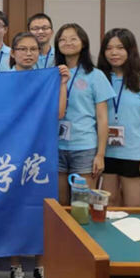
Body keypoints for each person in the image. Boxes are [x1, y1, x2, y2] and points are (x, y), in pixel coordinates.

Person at [8, 31, 70, 278]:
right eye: (22, 49)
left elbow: (58, 112)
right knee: (12, 208)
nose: (28, 53)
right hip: (10, 152)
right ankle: (15, 267)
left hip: (40, 151)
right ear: (13, 53)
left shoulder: (46, 79)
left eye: (33, 49)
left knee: (41, 207)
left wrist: (63, 83)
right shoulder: (2, 80)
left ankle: (40, 267)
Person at [96, 28, 140, 207]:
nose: (114, 53)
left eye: (120, 48)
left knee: (135, 206)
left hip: (134, 153)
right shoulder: (98, 78)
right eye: (109, 48)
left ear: (130, 50)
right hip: (104, 152)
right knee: (109, 205)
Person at [54, 23, 116, 204]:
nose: (68, 42)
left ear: (83, 43)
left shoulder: (95, 75)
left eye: (73, 39)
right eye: (63, 39)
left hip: (84, 146)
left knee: (82, 203)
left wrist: (100, 154)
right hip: (56, 146)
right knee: (60, 203)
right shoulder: (52, 73)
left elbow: (102, 118)